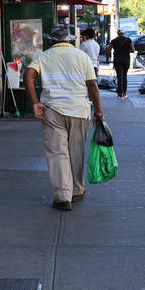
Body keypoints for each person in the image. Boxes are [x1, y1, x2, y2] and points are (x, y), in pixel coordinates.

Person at [24, 24, 104, 211]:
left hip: (53, 111)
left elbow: (29, 74)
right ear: (69, 39)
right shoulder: (82, 56)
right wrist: (98, 110)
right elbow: (92, 85)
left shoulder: (43, 57)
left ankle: (62, 196)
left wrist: (35, 102)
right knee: (76, 151)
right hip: (79, 111)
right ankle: (76, 190)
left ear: (51, 40)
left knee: (57, 153)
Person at [106, 29, 135, 99]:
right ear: (124, 33)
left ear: (118, 33)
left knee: (119, 76)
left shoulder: (114, 41)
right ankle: (124, 93)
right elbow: (133, 50)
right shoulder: (128, 40)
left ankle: (120, 94)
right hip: (126, 60)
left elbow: (108, 51)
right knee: (124, 76)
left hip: (117, 60)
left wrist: (107, 59)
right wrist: (127, 50)